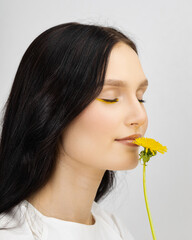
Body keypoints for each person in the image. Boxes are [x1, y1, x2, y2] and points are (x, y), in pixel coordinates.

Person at [0, 22, 148, 239]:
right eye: (111, 98)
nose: (140, 117)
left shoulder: (116, 231)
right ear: (50, 108)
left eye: (140, 97)